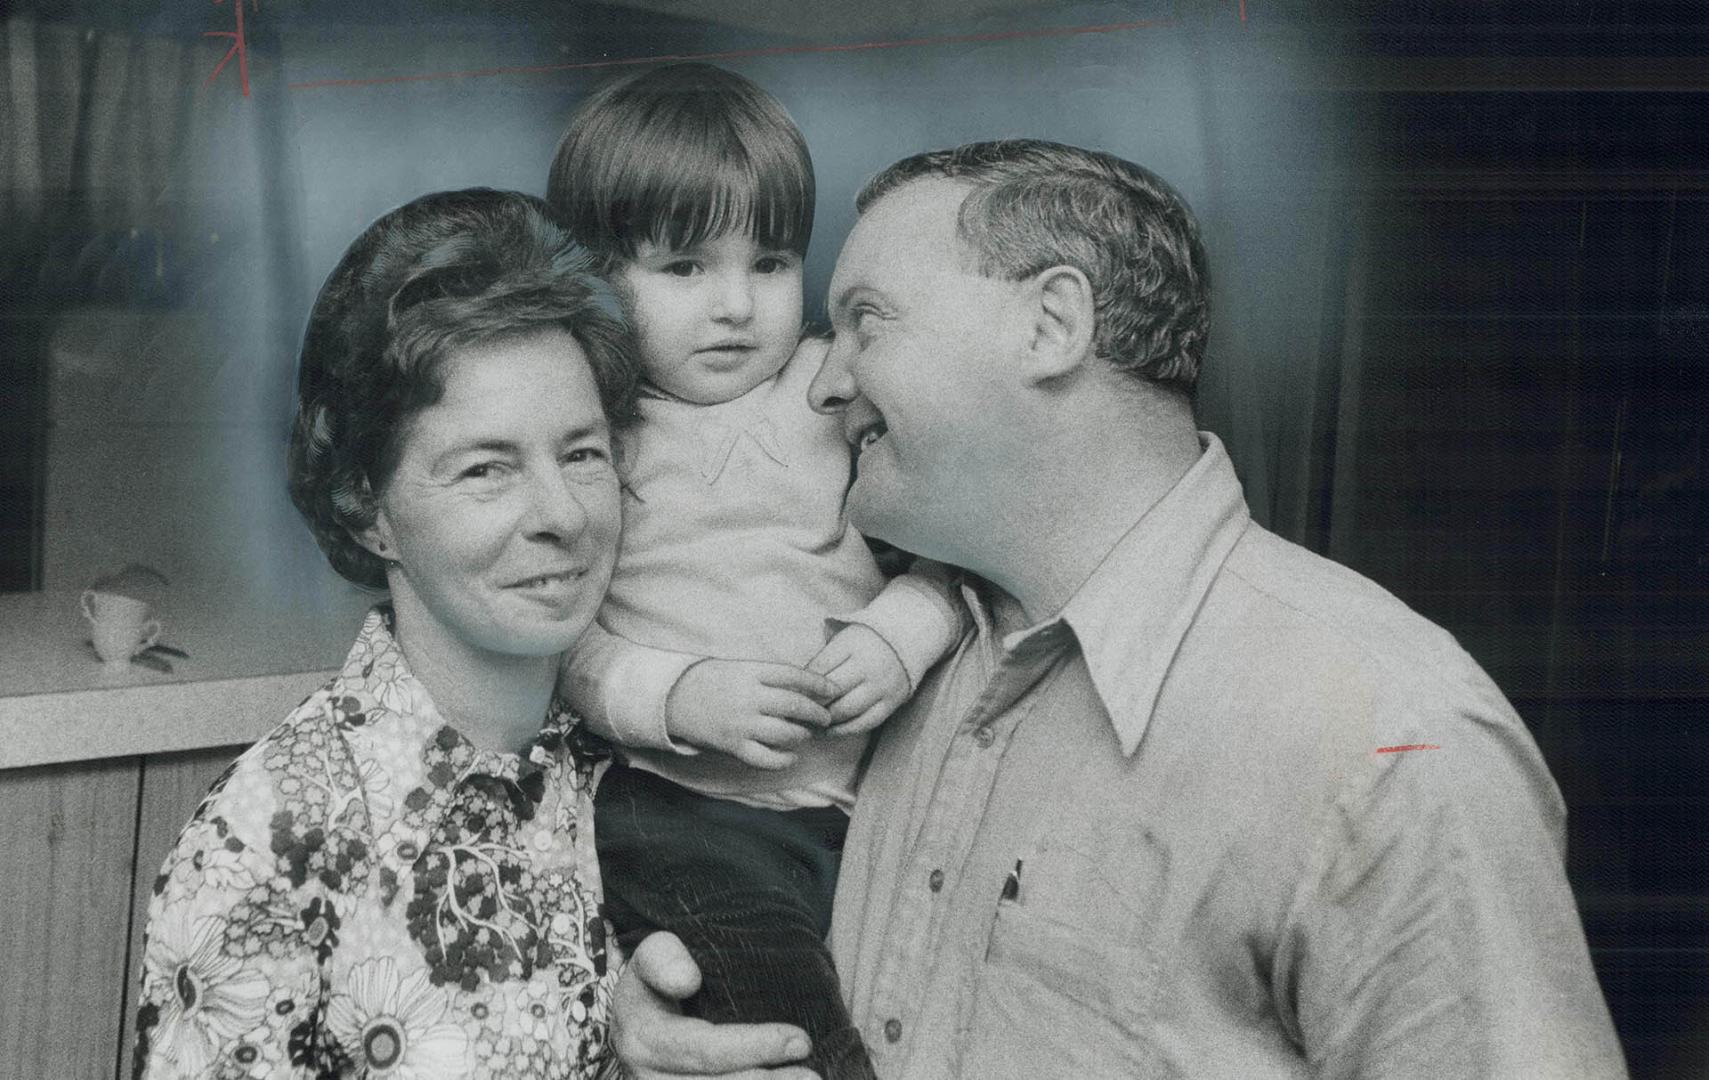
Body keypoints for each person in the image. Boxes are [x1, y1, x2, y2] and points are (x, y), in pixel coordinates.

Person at [609, 139, 1630, 1079]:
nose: (825, 381)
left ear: (1050, 325)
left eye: (866, 324)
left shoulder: (1388, 738)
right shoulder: (896, 659)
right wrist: (663, 1031)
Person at [132, 189, 634, 1079]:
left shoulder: (632, 767)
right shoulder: (270, 834)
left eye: (583, 453)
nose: (562, 514)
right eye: (486, 468)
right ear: (368, 511)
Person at [544, 64, 962, 1080]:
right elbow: (557, 644)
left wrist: (895, 638)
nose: (736, 306)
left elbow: (960, 566)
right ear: (598, 278)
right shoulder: (593, 434)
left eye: (769, 262)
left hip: (854, 812)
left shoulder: (834, 393)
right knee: (776, 1011)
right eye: (684, 269)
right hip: (681, 810)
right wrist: (679, 695)